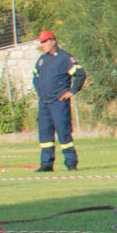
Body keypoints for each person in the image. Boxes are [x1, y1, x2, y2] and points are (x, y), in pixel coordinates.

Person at [31, 30, 84, 171]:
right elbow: (35, 76)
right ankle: (46, 163)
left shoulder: (64, 58)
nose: (43, 45)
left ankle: (71, 162)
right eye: (41, 42)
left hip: (59, 102)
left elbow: (80, 74)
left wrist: (72, 91)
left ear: (53, 41)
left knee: (63, 131)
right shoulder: (42, 59)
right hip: (44, 102)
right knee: (45, 132)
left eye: (45, 41)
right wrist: (39, 91)